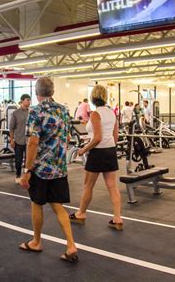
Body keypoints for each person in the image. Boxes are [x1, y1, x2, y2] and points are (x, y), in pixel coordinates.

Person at [18, 77, 78, 263]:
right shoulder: (63, 110)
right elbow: (67, 137)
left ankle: (36, 241)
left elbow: (33, 142)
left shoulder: (35, 111)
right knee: (58, 205)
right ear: (52, 92)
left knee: (37, 203)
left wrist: (27, 169)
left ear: (37, 94)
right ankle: (71, 245)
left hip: (41, 168)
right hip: (59, 167)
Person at [69, 85, 123, 230]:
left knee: (88, 185)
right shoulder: (112, 113)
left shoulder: (95, 114)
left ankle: (80, 214)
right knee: (112, 187)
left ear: (93, 98)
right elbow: (115, 137)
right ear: (105, 97)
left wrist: (84, 149)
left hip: (97, 152)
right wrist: (107, 144)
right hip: (110, 150)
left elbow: (98, 138)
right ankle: (117, 219)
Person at [9, 94, 31, 184]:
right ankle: (18, 175)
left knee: (28, 160)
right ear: (22, 101)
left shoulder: (31, 112)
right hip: (18, 140)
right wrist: (11, 139)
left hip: (29, 141)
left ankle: (26, 176)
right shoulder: (15, 113)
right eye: (27, 100)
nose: (29, 102)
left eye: (30, 100)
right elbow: (11, 127)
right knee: (18, 160)